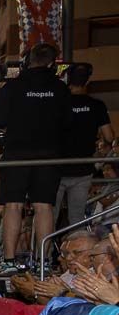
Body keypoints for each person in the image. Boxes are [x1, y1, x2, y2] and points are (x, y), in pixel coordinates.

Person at [0, 43, 73, 274]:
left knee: (13, 206)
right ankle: (43, 261)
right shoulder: (60, 89)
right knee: (44, 207)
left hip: (16, 154)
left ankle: (10, 261)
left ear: (28, 60)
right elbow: (68, 123)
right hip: (49, 156)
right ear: (52, 63)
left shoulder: (14, 86)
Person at [60, 64, 115, 226]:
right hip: (83, 168)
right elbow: (109, 136)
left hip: (56, 167)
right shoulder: (97, 105)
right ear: (87, 81)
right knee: (76, 217)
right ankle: (76, 247)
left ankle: (45, 251)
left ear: (68, 80)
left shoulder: (59, 104)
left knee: (50, 215)